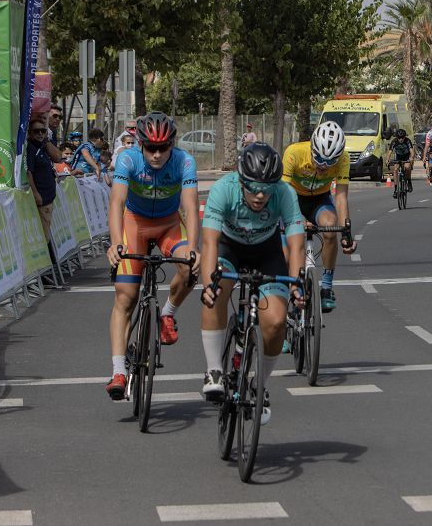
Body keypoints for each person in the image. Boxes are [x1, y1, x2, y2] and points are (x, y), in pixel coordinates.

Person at [198, 144, 305, 422]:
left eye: (267, 189)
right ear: (241, 180)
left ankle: (261, 385)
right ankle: (214, 370)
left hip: (266, 252)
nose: (260, 196)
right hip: (228, 248)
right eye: (255, 188)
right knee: (216, 290)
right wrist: (208, 283)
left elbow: (295, 244)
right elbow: (209, 242)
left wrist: (296, 283)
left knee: (276, 321)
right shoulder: (223, 190)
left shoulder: (284, 193)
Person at [104, 112, 200, 400]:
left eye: (163, 148)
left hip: (169, 223)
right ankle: (118, 371)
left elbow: (191, 208)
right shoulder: (128, 159)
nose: (157, 155)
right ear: (140, 145)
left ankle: (167, 314)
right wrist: (113, 244)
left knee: (190, 268)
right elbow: (117, 202)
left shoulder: (184, 161)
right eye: (150, 148)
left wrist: (193, 247)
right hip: (135, 222)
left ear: (172, 144)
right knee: (126, 295)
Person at [282, 121, 357, 313]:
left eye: (330, 162)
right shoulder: (294, 152)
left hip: (319, 200)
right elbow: (284, 192)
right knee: (286, 252)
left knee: (331, 228)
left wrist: (347, 232)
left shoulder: (344, 159)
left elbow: (340, 196)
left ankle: (326, 286)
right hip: (293, 199)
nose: (323, 166)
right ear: (312, 147)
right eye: (319, 159)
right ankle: (284, 294)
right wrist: (298, 218)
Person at [25, 117, 57, 244]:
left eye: (43, 131)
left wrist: (47, 141)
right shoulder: (31, 149)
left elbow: (58, 157)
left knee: (47, 232)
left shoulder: (43, 146)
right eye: (36, 131)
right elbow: (29, 172)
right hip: (41, 198)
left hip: (49, 197)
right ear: (30, 133)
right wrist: (35, 193)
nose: (40, 134)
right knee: (43, 236)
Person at [386, 128, 415, 193]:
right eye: (399, 138)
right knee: (396, 169)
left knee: (407, 167)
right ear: (397, 137)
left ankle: (409, 181)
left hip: (406, 156)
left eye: (402, 137)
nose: (401, 139)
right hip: (398, 156)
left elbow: (412, 152)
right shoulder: (394, 141)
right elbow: (390, 152)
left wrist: (411, 158)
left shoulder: (407, 141)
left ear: (405, 137)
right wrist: (387, 159)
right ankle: (396, 188)